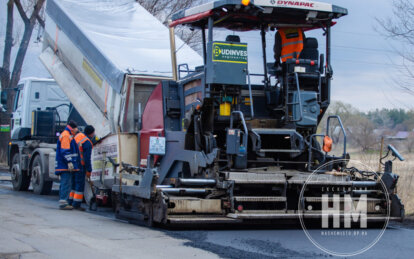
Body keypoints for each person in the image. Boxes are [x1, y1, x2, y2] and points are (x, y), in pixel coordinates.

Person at [69, 125, 96, 211]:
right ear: (91, 133)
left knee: (73, 184)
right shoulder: (87, 142)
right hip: (80, 165)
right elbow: (87, 158)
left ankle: (70, 202)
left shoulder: (78, 136)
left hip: (73, 163)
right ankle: (76, 204)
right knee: (79, 185)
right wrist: (89, 170)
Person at [56, 120, 80, 210]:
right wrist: (69, 161)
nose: (76, 132)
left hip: (64, 164)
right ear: (72, 129)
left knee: (65, 183)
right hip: (65, 164)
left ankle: (63, 201)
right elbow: (65, 150)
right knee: (66, 183)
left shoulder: (67, 134)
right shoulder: (66, 135)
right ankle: (63, 202)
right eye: (75, 130)